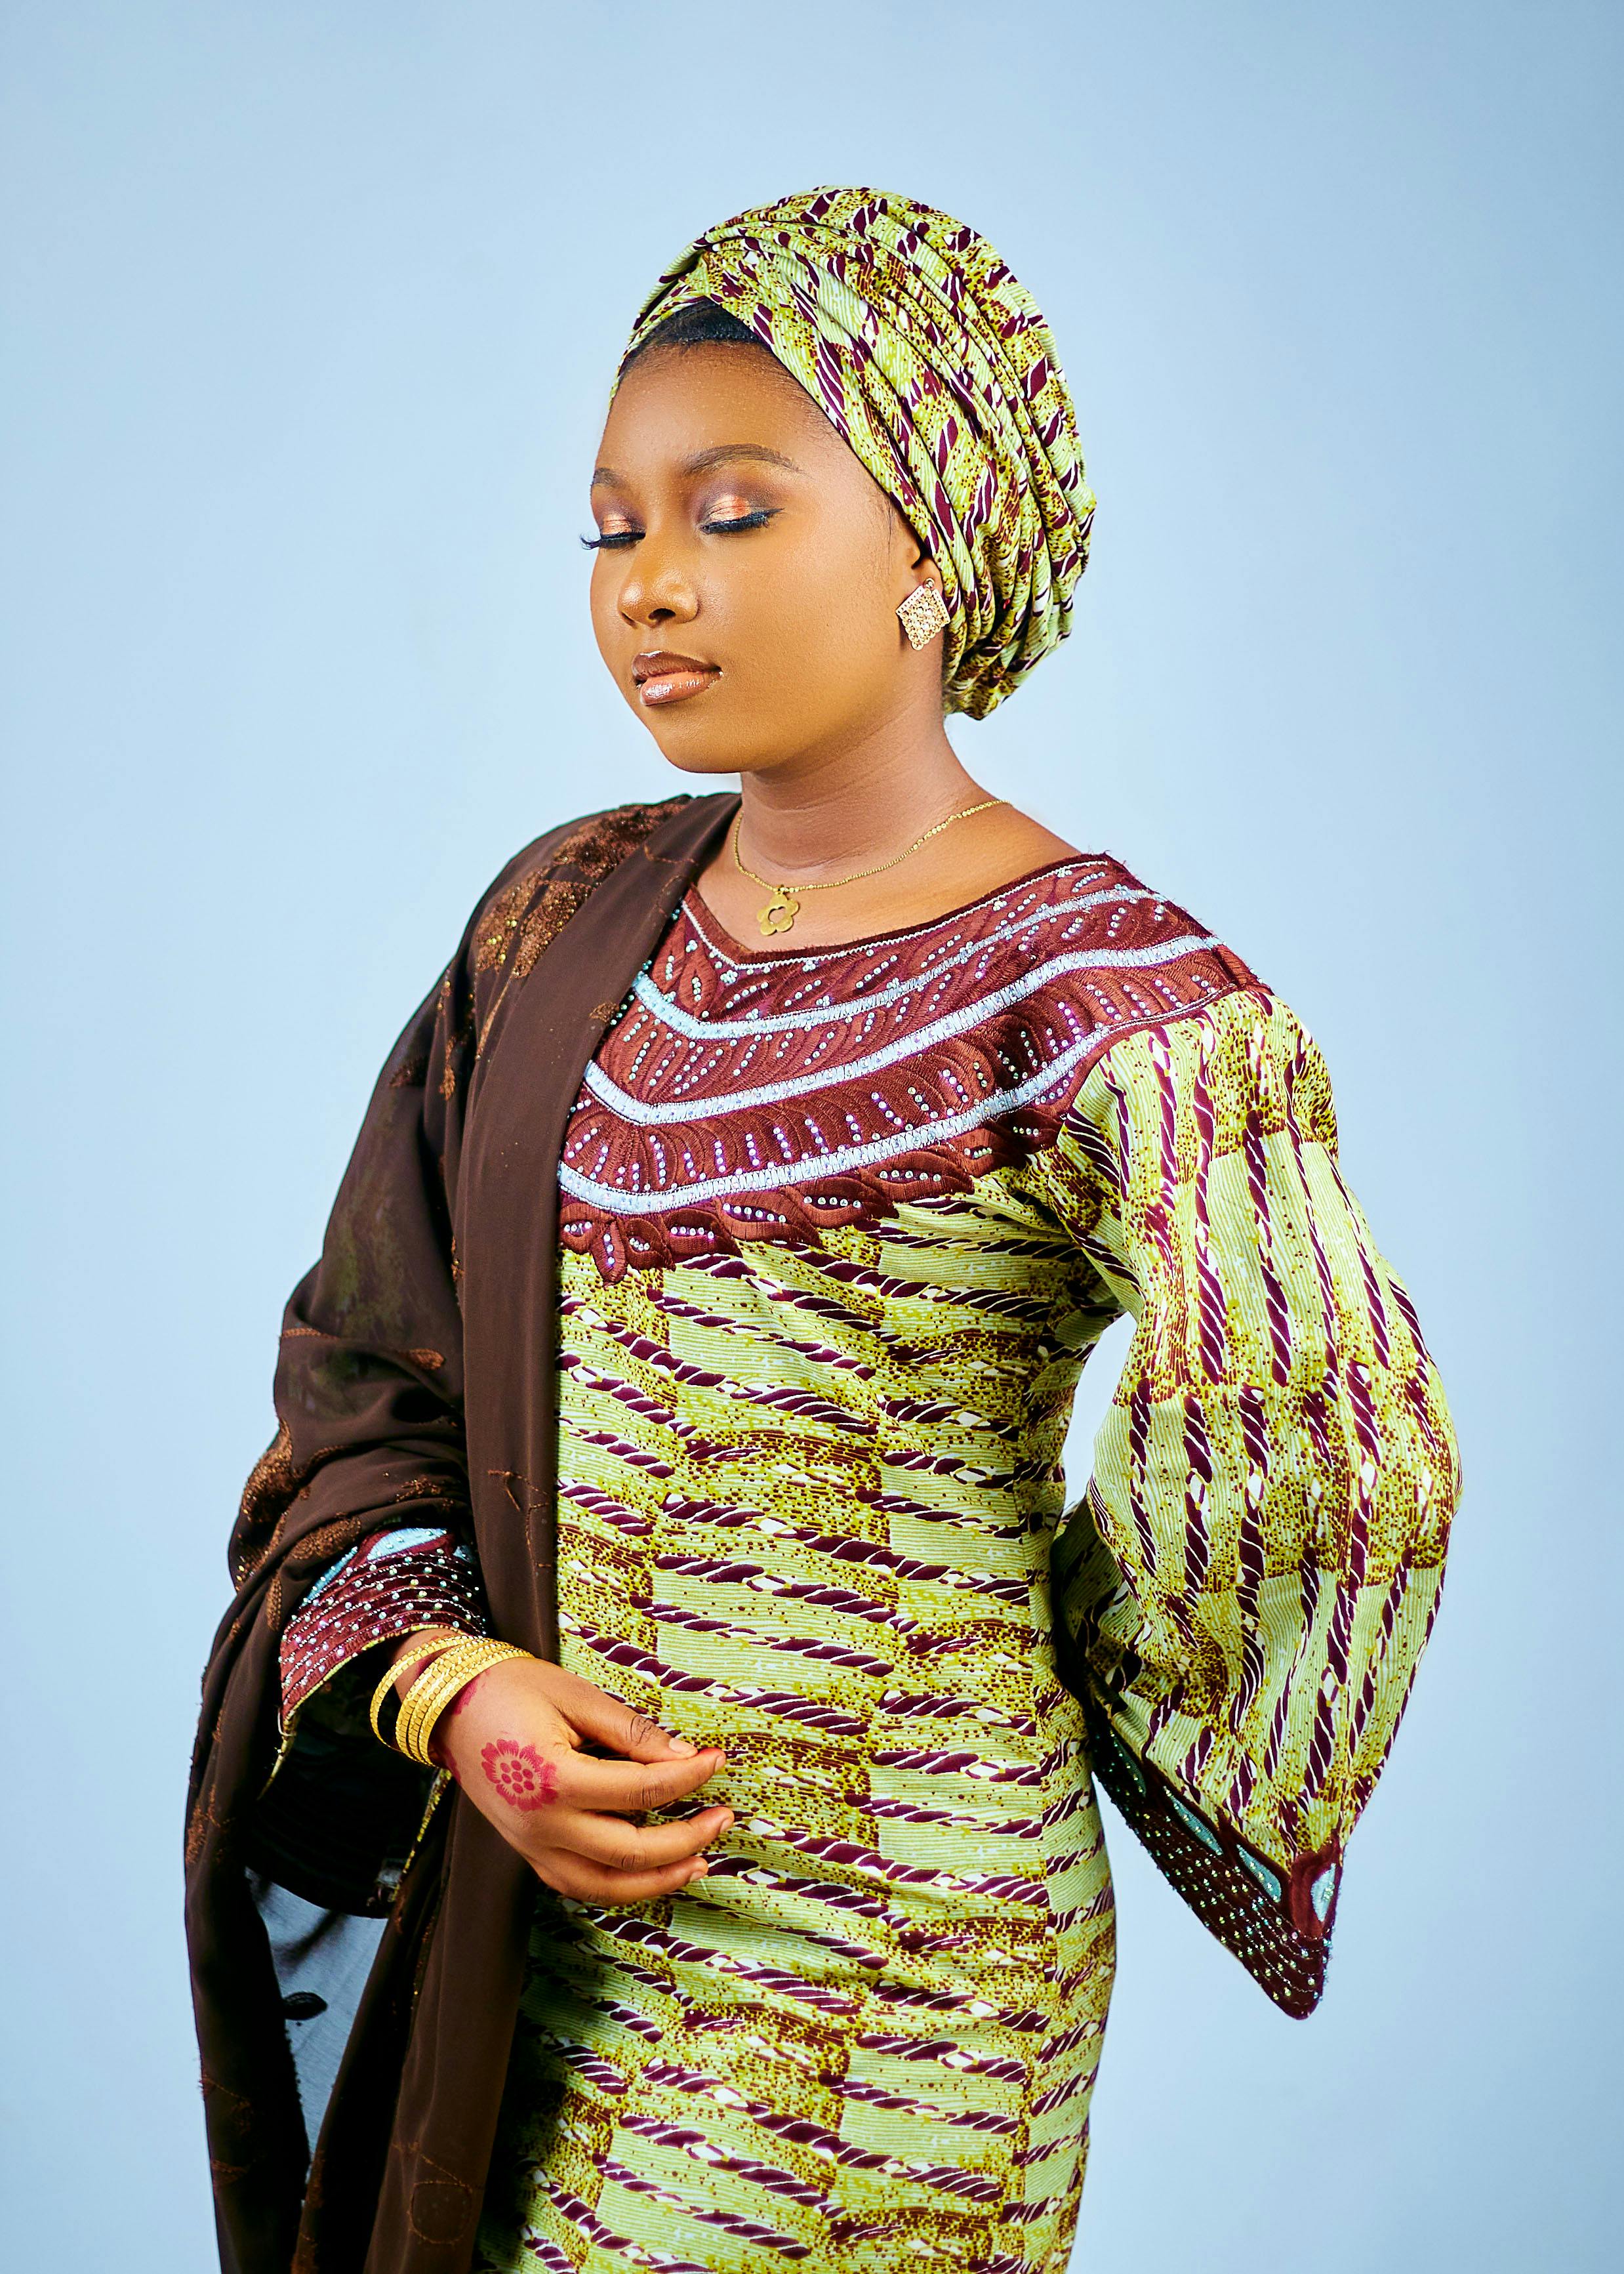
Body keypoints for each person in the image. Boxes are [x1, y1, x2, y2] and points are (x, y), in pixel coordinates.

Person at [187, 187, 1459, 2274]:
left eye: (734, 511)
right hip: (548, 1904)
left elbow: (1334, 1443)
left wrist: (982, 1667)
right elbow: (364, 1369)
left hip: (908, 1968)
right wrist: (449, 1695)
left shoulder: (1115, 993)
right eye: (611, 529)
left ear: (935, 554)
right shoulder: (556, 921)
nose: (650, 586)